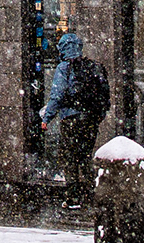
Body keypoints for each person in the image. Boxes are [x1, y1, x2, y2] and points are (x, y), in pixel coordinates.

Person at [42, 30, 108, 211]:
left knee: (69, 157)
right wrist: (96, 117)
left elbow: (57, 95)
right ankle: (91, 194)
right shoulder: (91, 67)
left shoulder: (64, 68)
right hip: (90, 119)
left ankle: (73, 197)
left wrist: (47, 117)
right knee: (85, 156)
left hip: (71, 119)